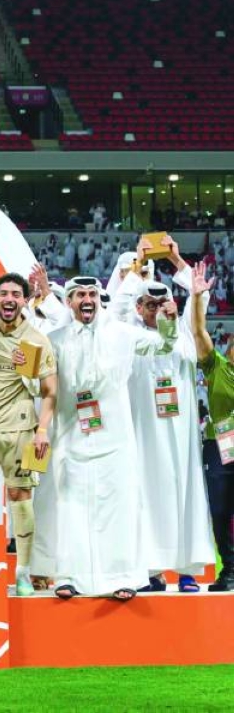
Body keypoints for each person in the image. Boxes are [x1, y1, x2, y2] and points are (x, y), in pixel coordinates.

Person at [47, 275, 177, 601]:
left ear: (99, 300)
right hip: (71, 436)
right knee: (71, 507)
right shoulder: (53, 340)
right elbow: (39, 383)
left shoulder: (122, 334)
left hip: (116, 437)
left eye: (92, 294)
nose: (87, 299)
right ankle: (69, 576)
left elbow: (163, 345)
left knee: (118, 506)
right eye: (80, 295)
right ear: (69, 301)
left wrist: (169, 322)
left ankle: (122, 576)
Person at [117, 248, 212, 592]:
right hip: (144, 436)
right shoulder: (128, 337)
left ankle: (187, 572)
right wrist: (137, 267)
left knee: (186, 494)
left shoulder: (185, 334)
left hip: (182, 439)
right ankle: (150, 571)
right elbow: (114, 308)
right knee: (145, 498)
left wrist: (175, 261)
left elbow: (199, 300)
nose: (157, 309)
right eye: (150, 304)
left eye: (163, 303)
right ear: (138, 308)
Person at [0, 272, 57, 595]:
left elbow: (50, 391)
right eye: (4, 293)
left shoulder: (36, 340)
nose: (9, 299)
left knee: (20, 496)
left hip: (20, 429)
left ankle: (23, 573)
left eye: (16, 294)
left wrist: (42, 431)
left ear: (25, 300)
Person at [189, 261, 234, 591]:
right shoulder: (217, 366)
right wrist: (197, 298)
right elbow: (198, 332)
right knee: (219, 509)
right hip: (220, 445)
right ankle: (229, 569)